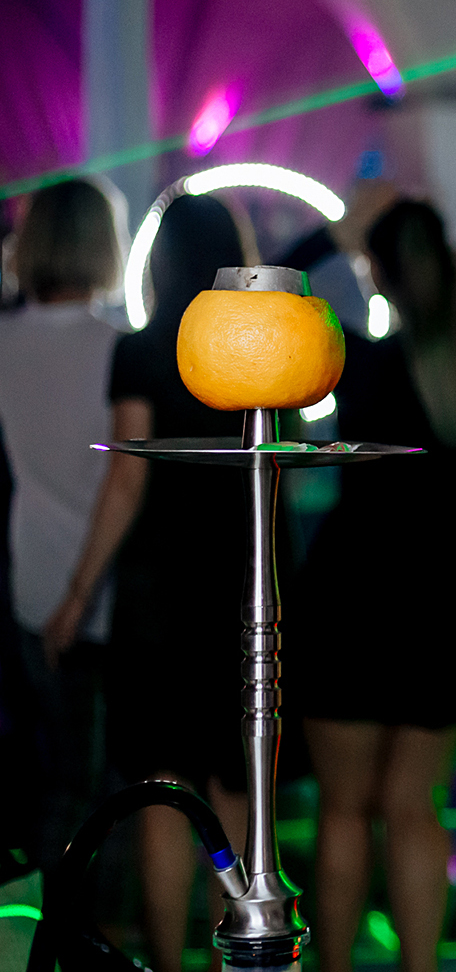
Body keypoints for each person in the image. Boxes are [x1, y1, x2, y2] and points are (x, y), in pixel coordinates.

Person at [288, 200, 456, 972]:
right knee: (416, 807)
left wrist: (333, 235)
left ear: (381, 272)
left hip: (351, 591)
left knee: (343, 809)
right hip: (442, 597)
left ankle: (334, 967)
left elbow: (272, 291)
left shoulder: (362, 363)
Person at [51, 192, 256, 972]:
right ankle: (240, 959)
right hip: (242, 586)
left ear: (160, 261)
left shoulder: (140, 351)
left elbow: (128, 480)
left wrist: (78, 593)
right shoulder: (258, 348)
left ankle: (166, 966)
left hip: (157, 595)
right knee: (237, 789)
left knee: (165, 792)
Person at [0, 178, 124, 867]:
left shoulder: (5, 341)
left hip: (29, 577)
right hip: (107, 586)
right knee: (102, 787)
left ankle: (46, 915)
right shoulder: (121, 349)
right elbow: (124, 481)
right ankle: (83, 920)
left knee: (55, 777)